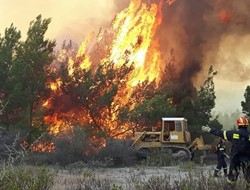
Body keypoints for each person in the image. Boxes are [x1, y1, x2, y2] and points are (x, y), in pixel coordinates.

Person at [202, 116, 250, 183]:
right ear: (247, 125)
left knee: (232, 178)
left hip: (235, 158)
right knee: (248, 177)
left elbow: (220, 133)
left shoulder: (233, 134)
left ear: (238, 125)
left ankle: (230, 186)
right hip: (247, 158)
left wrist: (209, 130)